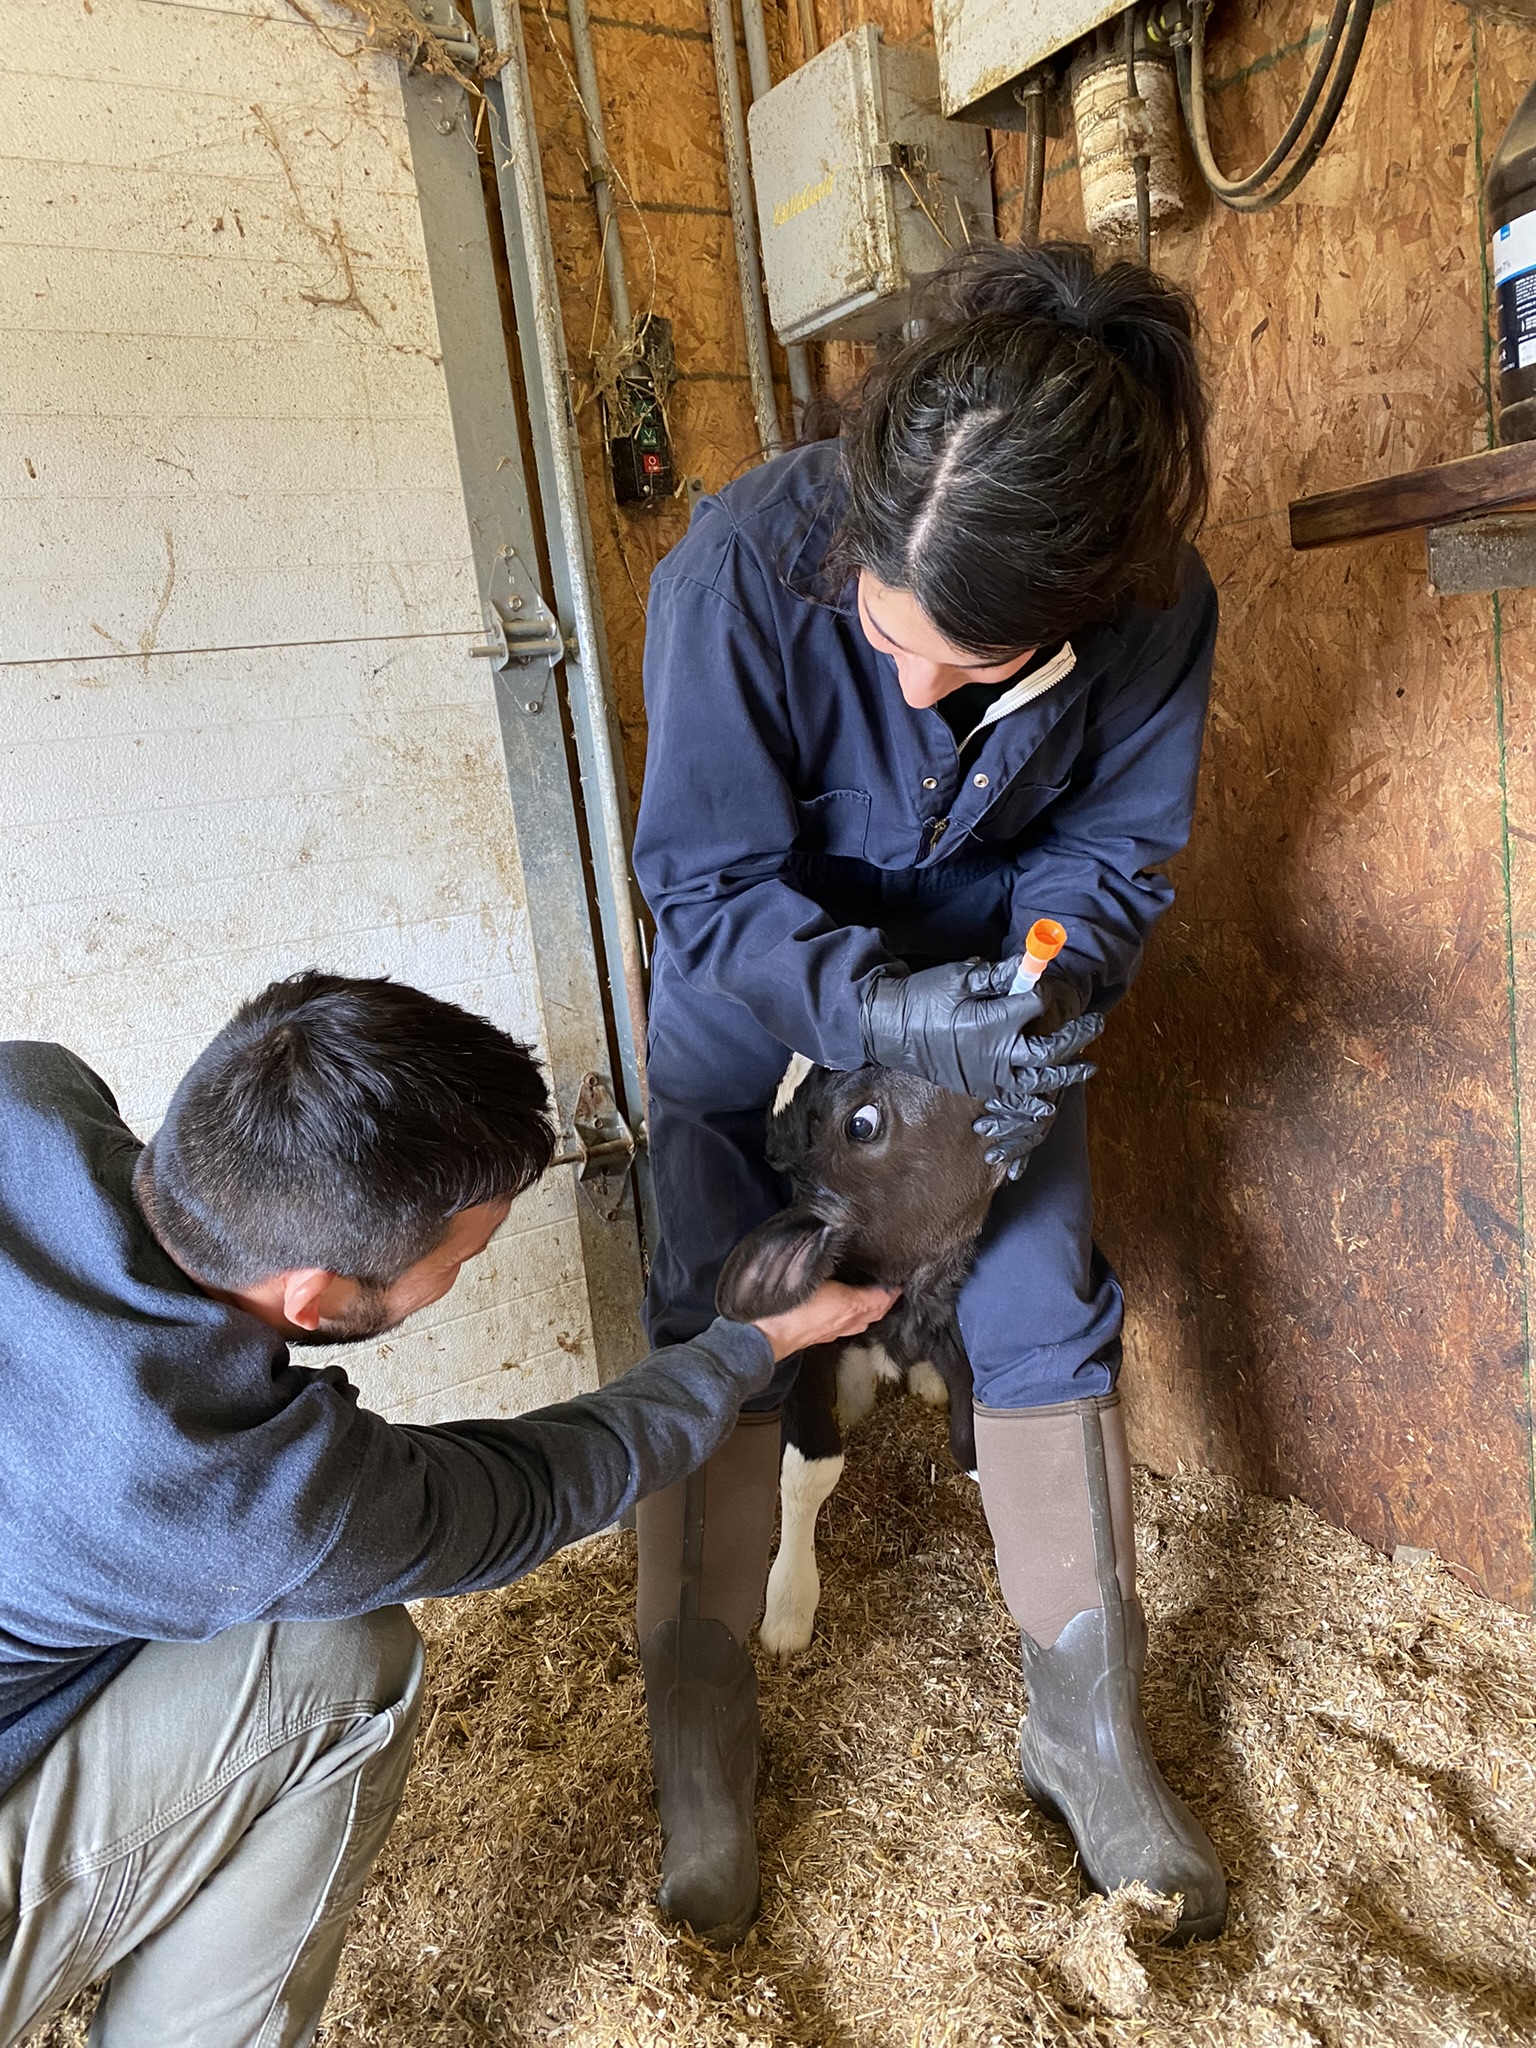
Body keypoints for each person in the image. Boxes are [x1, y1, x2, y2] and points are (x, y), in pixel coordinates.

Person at [631, 239, 1225, 1945]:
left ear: (1085, 599)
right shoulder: (741, 567)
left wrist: (1042, 986)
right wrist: (876, 1001)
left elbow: (1111, 854)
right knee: (722, 1297)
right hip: (759, 971)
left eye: (972, 663)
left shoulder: (1156, 605)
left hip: (985, 991)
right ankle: (702, 1725)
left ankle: (1084, 1726)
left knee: (1038, 1300)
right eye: (891, 633)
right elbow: (706, 888)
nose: (911, 691)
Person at [0, 972, 894, 2047]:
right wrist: (756, 1344)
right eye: (459, 1260)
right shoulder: (246, 1495)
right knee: (340, 1665)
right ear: (316, 1298)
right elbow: (537, 1485)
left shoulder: (27, 1091)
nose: (463, 1274)